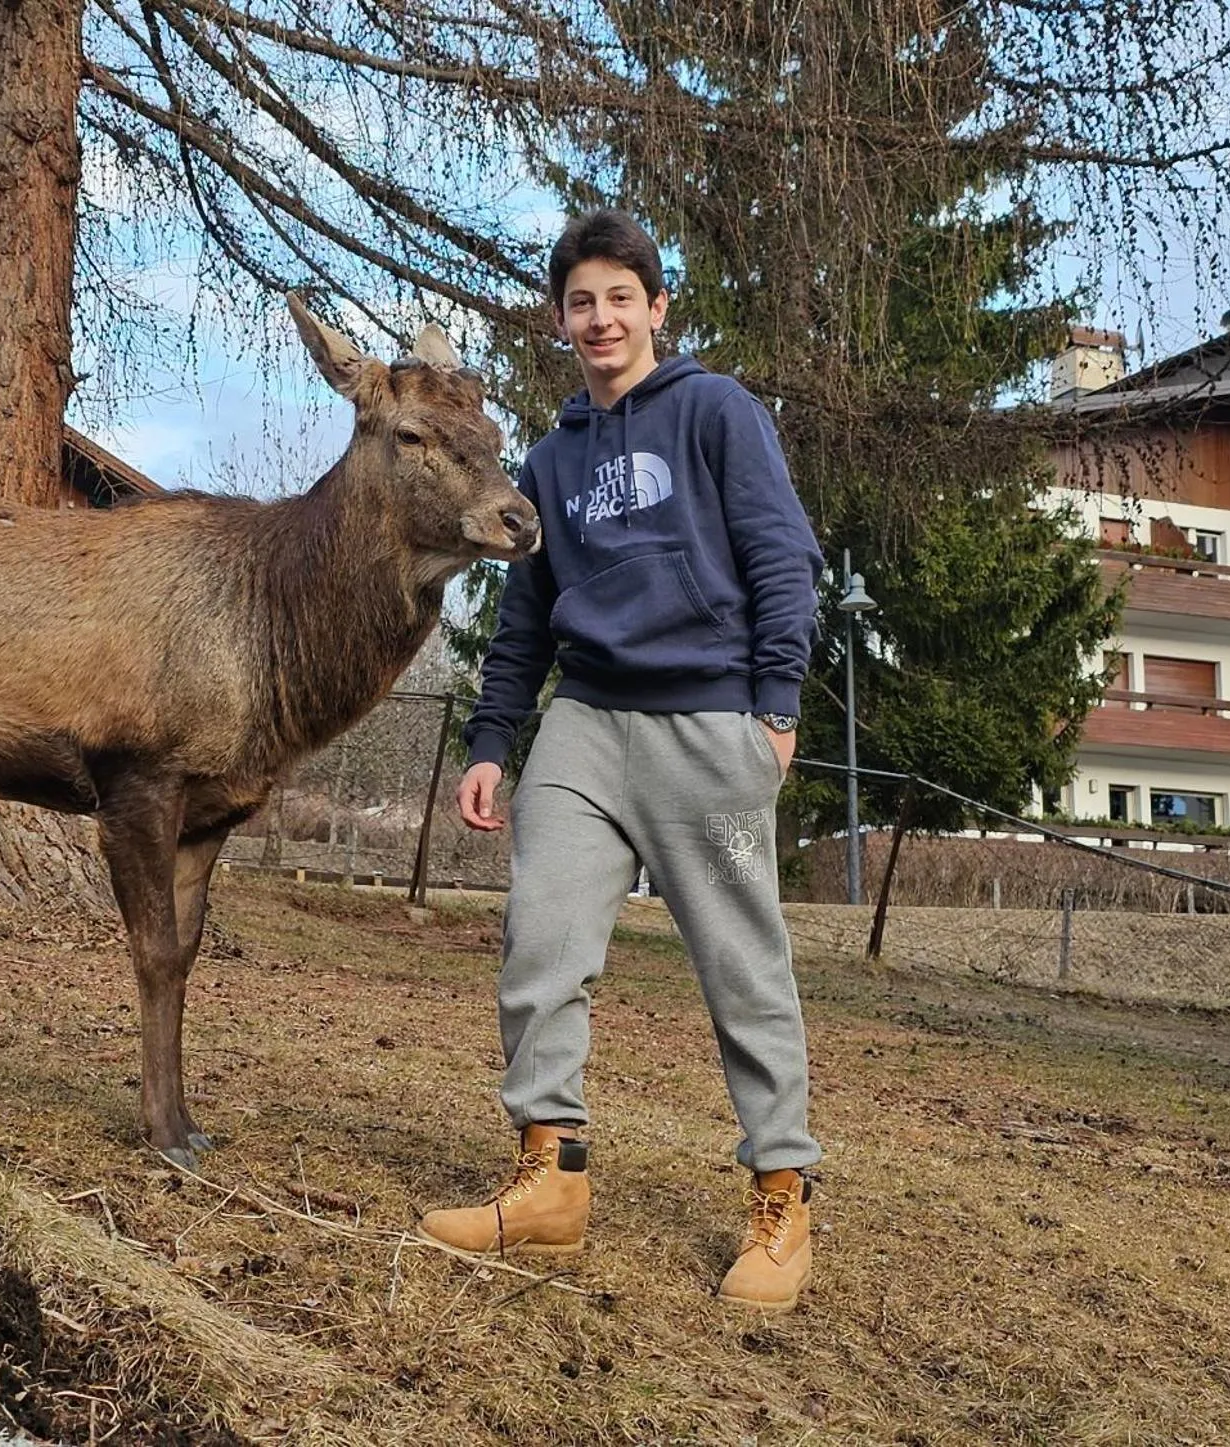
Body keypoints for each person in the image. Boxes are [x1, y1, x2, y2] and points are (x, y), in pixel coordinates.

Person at [415, 210, 824, 1312]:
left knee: (744, 968)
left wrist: (774, 709)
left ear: (655, 308)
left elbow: (784, 558)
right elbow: (525, 622)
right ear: (562, 319)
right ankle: (551, 1175)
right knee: (541, 937)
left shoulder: (715, 412)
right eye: (581, 300)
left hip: (709, 717)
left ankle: (782, 1195)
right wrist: (495, 740)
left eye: (619, 296)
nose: (601, 317)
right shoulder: (551, 460)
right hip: (585, 722)